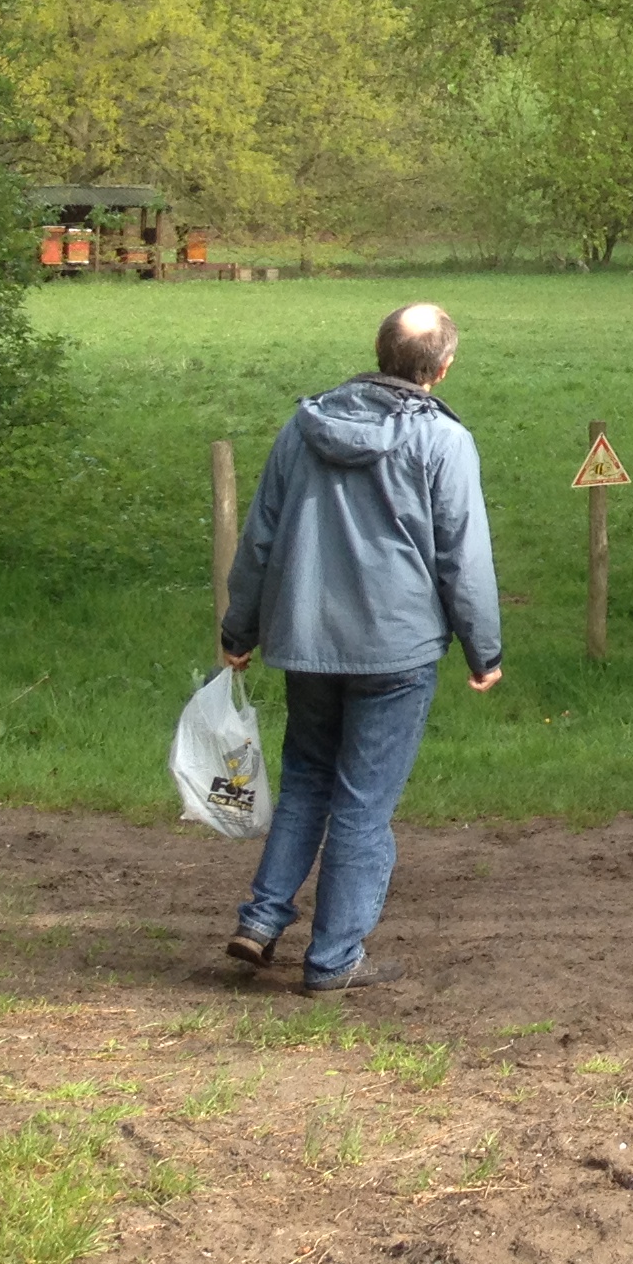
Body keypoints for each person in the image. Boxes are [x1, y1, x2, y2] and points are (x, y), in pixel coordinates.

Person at [220, 303, 501, 993]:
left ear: (379, 353)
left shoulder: (305, 424)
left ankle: (260, 920)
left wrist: (239, 630)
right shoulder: (443, 441)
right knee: (363, 803)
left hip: (307, 639)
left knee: (308, 780)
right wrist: (483, 649)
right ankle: (334, 957)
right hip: (396, 650)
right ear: (443, 366)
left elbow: (260, 535)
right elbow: (463, 557)